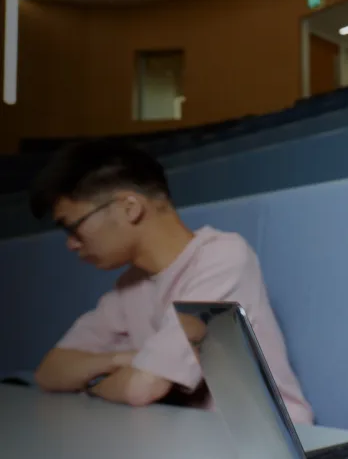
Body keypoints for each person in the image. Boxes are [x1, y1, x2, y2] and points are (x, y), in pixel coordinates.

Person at [29, 140, 314, 425]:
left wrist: (91, 382)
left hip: (266, 440)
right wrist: (118, 360)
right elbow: (50, 371)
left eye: (73, 227)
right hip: (182, 434)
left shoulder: (222, 257)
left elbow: (141, 388)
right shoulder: (130, 285)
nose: (71, 244)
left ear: (130, 207)